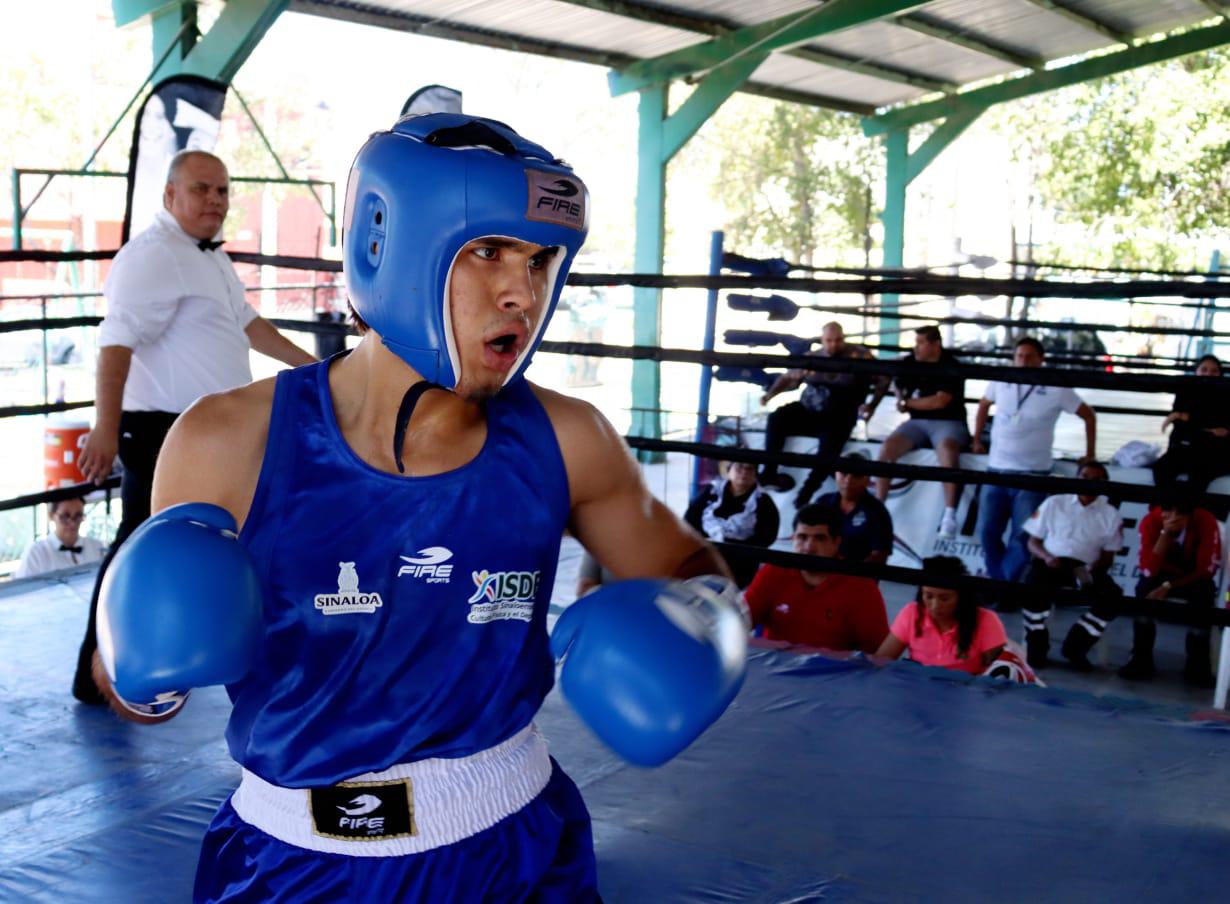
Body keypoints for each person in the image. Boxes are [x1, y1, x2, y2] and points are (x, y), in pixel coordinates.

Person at [90, 115, 747, 902]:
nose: (523, 293)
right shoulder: (226, 442)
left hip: (516, 854)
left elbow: (687, 568)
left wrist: (707, 626)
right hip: (290, 864)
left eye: (541, 261)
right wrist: (138, 671)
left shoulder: (568, 439)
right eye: (488, 252)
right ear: (386, 245)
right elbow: (134, 691)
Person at [69, 150, 318, 705]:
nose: (215, 201)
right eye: (203, 189)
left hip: (212, 429)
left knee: (238, 530)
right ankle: (106, 670)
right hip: (159, 427)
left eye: (223, 191)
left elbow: (249, 324)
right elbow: (115, 343)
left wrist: (321, 372)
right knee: (141, 541)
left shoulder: (206, 257)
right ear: (170, 196)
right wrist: (103, 428)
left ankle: (202, 655)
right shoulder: (152, 257)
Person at [971, 337, 1097, 583]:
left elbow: (1088, 416)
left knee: (1022, 537)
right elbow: (984, 404)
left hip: (1033, 474)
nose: (1023, 361)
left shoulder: (1056, 387)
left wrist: (1090, 455)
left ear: (1041, 360)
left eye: (1029, 356)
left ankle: (1002, 586)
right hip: (995, 470)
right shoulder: (1002, 380)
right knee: (986, 531)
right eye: (1019, 356)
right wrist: (976, 439)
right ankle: (1002, 583)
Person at [861, 326, 969, 538]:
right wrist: (901, 397)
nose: (916, 347)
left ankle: (949, 514)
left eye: (920, 343)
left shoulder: (951, 365)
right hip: (917, 422)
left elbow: (940, 401)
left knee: (947, 450)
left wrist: (907, 402)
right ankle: (879, 509)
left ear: (935, 344)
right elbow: (898, 385)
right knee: (887, 450)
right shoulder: (910, 363)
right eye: (916, 342)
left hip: (949, 420)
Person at [758, 321, 881, 503]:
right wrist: (770, 395)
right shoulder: (813, 357)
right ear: (822, 340)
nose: (833, 344)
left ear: (844, 339)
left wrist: (871, 405)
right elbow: (787, 377)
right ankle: (769, 473)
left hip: (840, 415)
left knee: (830, 444)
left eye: (838, 340)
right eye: (829, 340)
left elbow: (883, 378)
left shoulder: (860, 356)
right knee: (778, 417)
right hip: (809, 410)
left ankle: (806, 492)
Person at [743, 503, 889, 653]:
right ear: (793, 539)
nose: (809, 547)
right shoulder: (773, 571)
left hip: (833, 674)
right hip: (771, 669)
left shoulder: (861, 585)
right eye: (802, 537)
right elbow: (739, 623)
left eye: (820, 538)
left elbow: (878, 652)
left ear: (836, 542)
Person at [1018, 461, 1123, 670]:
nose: (1089, 483)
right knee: (1032, 589)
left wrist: (1094, 566)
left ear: (1104, 483)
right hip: (1050, 562)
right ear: (1077, 478)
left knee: (1113, 597)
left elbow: (1108, 556)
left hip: (1084, 568)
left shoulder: (1111, 513)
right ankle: (1037, 645)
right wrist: (1046, 557)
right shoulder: (1055, 502)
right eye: (1085, 477)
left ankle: (1076, 646)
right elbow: (1033, 541)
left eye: (1096, 479)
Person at [1118, 486, 1222, 686]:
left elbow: (1206, 570)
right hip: (1161, 573)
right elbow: (1148, 569)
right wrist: (1165, 534)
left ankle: (1198, 665)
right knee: (1143, 591)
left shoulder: (1206, 521)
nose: (1174, 517)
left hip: (1192, 576)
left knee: (1204, 595)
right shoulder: (1151, 521)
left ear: (1191, 514)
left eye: (1180, 513)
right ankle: (1141, 658)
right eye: (1168, 511)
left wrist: (1169, 586)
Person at [875, 556, 1007, 676]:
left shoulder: (986, 620)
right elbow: (880, 661)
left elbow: (1001, 674)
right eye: (928, 596)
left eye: (944, 598)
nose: (935, 605)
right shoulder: (912, 613)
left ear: (961, 597)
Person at [684, 459, 780, 587]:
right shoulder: (711, 492)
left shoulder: (763, 502)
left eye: (750, 469)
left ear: (755, 474)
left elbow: (767, 536)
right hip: (706, 553)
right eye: (739, 467)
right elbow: (690, 519)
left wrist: (737, 549)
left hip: (740, 564)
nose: (744, 472)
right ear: (729, 471)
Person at [1152, 355, 1230, 495]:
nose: (1208, 374)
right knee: (1161, 468)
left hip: (1215, 451)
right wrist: (1209, 428)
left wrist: (1186, 417)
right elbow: (1179, 424)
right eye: (1204, 370)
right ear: (1196, 371)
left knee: (1200, 473)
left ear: (1220, 374)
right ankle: (1165, 509)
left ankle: (1188, 513)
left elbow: (1225, 427)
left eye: (1214, 371)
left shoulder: (1227, 393)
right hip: (1186, 447)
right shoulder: (1185, 390)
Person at [813, 467, 894, 566]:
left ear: (867, 480)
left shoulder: (878, 511)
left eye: (857, 475)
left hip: (857, 578)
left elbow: (879, 556)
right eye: (843, 473)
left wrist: (847, 575)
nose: (848, 480)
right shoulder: (822, 502)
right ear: (836, 474)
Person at [13, 496, 106, 578]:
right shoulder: (36, 552)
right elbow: (23, 591)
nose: (72, 523)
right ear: (51, 516)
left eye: (78, 516)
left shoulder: (97, 547)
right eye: (65, 516)